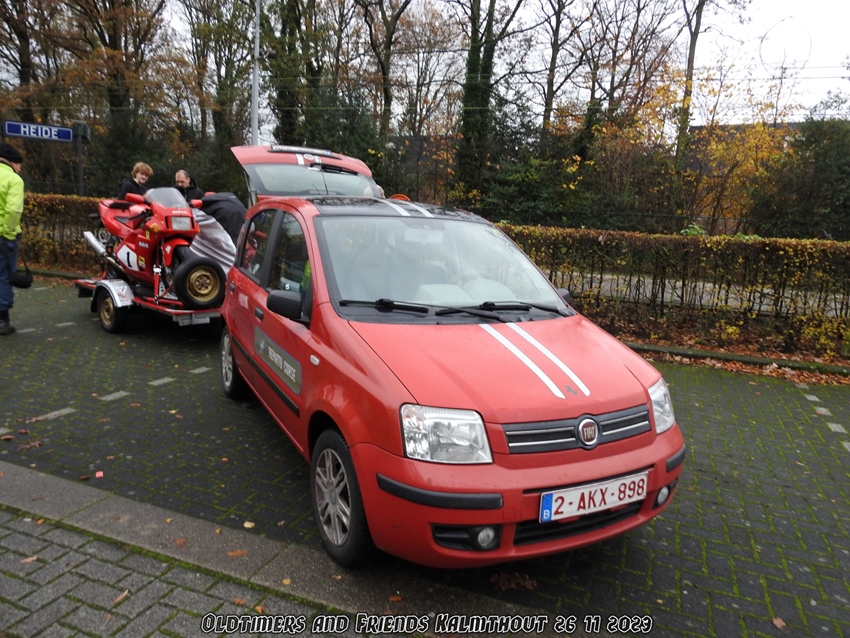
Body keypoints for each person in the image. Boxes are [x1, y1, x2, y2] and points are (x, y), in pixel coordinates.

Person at [0, 142, 25, 336]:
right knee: (4, 276)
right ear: (12, 162)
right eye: (19, 164)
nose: (20, 169)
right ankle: (2, 320)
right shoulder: (14, 180)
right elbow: (14, 210)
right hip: (4, 236)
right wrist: (8, 235)